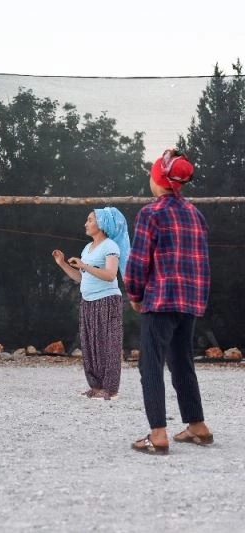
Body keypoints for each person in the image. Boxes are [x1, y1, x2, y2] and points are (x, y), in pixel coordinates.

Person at [126, 149, 213, 456]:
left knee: (151, 364)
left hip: (160, 301)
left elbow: (138, 262)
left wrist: (135, 295)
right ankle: (197, 427)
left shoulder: (151, 214)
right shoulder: (195, 215)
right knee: (181, 363)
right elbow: (201, 262)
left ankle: (158, 434)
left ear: (159, 180)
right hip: (188, 302)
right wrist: (197, 300)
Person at [52, 208, 129, 400]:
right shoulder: (87, 248)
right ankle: (95, 386)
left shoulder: (110, 246)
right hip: (88, 301)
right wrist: (63, 263)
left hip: (107, 300)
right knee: (90, 344)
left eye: (90, 220)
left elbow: (111, 275)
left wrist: (84, 265)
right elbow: (81, 277)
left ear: (102, 224)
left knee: (109, 345)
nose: (86, 224)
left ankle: (110, 389)